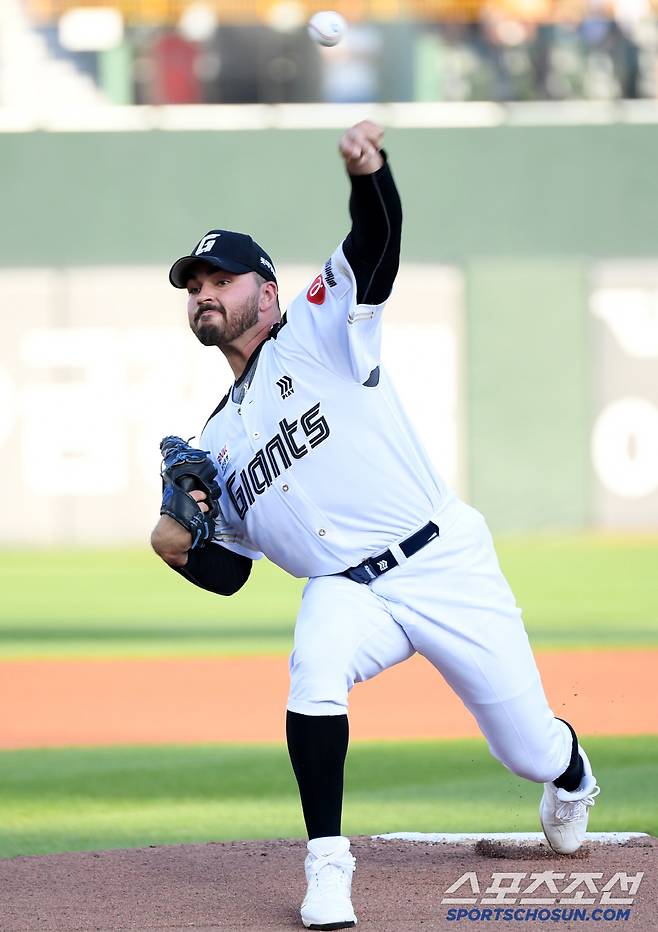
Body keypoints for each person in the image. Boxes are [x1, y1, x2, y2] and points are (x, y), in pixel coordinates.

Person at [150, 120, 600, 932]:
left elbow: (376, 242)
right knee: (312, 662)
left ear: (268, 289)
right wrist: (178, 550)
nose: (204, 292)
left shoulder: (320, 330)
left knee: (525, 749)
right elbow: (233, 571)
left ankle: (570, 769)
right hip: (345, 590)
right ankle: (328, 867)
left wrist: (370, 174)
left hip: (440, 560)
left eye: (220, 278)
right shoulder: (213, 440)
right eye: (194, 285)